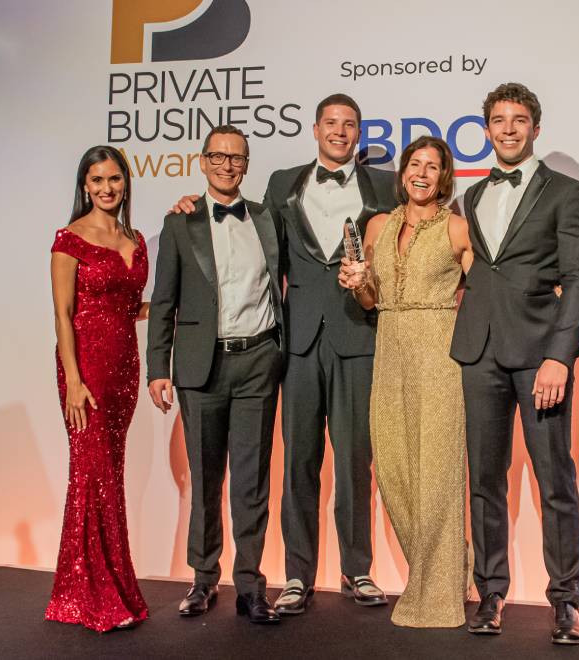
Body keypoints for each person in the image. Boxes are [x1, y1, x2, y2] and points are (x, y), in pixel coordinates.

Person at [169, 94, 397, 614]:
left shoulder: (384, 186)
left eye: (350, 124)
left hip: (358, 337)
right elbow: (244, 230)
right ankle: (298, 574)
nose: (340, 131)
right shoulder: (281, 184)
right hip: (295, 342)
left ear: (360, 132)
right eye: (331, 123)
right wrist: (190, 206)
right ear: (315, 129)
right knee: (298, 460)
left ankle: (358, 569)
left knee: (355, 459)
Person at [451, 83, 579, 643]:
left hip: (540, 356)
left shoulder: (567, 193)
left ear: (535, 128)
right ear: (486, 129)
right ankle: (490, 593)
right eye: (498, 120)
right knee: (484, 481)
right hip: (478, 352)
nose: (508, 129)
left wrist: (560, 356)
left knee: (554, 479)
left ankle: (565, 600)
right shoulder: (471, 196)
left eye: (518, 120)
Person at [146, 125, 285, 624]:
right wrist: (157, 367)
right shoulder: (179, 223)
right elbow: (163, 301)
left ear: (246, 164)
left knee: (252, 483)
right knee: (206, 481)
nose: (228, 165)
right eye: (218, 157)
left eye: (237, 158)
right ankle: (204, 579)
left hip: (257, 362)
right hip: (200, 367)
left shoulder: (268, 219)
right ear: (202, 162)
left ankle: (250, 586)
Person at [338, 136, 473, 627]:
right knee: (394, 470)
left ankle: (437, 593)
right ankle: (446, 572)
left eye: (432, 167)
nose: (422, 174)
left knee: (437, 475)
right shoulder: (378, 225)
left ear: (444, 177)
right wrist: (358, 283)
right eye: (415, 164)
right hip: (389, 350)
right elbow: (371, 300)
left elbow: (485, 291)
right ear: (403, 172)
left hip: (439, 355)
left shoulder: (457, 228)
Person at [46, 145, 149, 632]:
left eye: (114, 179)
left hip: (124, 368)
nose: (107, 188)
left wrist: (176, 309)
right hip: (85, 371)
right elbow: (62, 315)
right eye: (97, 180)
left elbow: (130, 307)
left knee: (110, 476)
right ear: (84, 186)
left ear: (125, 182)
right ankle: (91, 598)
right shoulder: (70, 240)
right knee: (91, 476)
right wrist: (73, 381)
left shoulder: (135, 238)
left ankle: (102, 588)